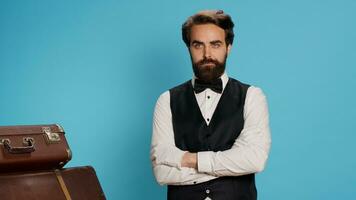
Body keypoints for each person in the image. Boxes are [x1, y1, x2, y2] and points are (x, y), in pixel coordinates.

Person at [150, 10, 271, 200]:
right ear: (189, 48)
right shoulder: (166, 100)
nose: (207, 54)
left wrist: (187, 159)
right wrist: (230, 164)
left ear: (228, 47)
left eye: (215, 45)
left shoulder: (252, 96)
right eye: (198, 45)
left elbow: (254, 160)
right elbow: (162, 172)